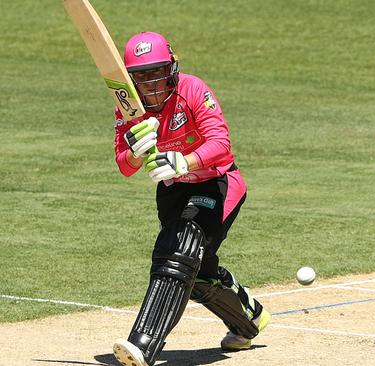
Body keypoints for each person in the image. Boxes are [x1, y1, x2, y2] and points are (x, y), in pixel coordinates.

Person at [110, 32, 270, 366]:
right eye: (142, 79)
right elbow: (124, 164)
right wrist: (136, 155)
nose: (151, 87)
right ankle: (248, 318)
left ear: (171, 69)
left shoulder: (193, 89)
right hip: (172, 192)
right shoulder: (128, 107)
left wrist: (186, 161)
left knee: (178, 251)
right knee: (197, 274)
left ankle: (143, 344)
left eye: (157, 76)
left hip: (217, 183)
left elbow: (220, 143)